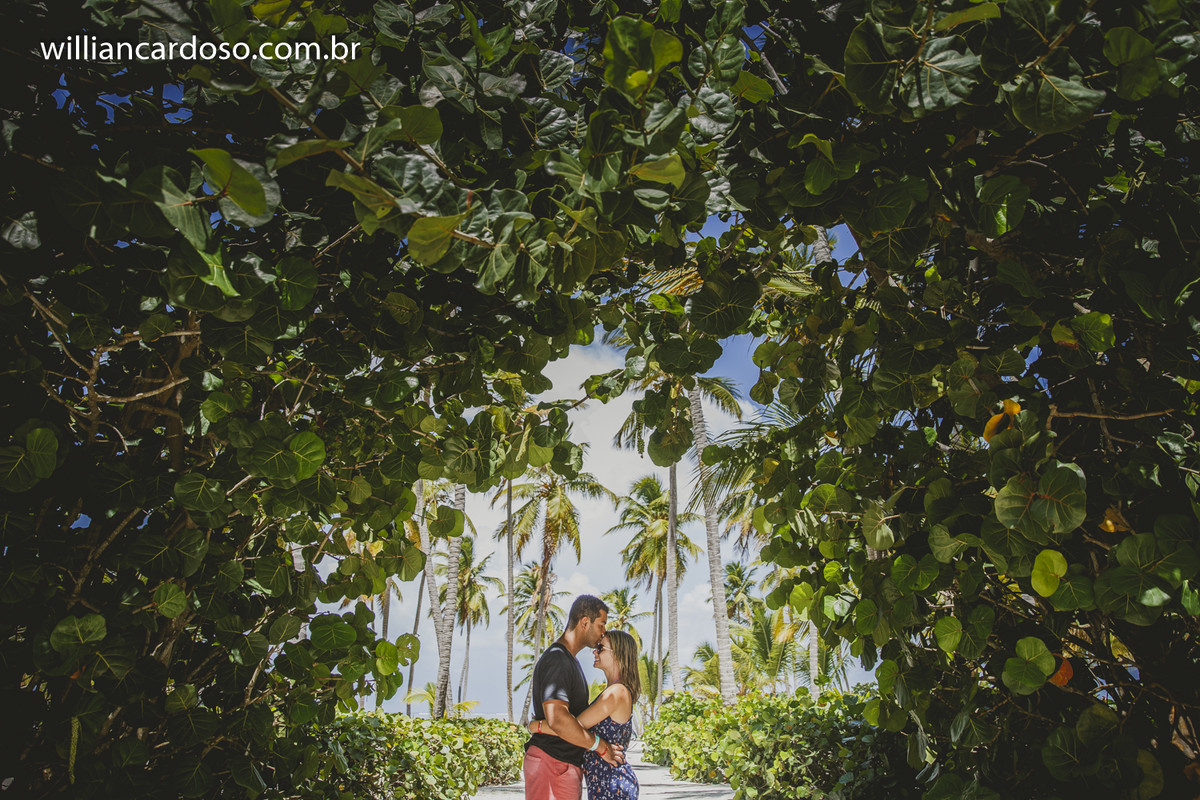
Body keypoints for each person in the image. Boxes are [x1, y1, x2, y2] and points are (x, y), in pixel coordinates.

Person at [525, 595, 626, 800]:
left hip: (560, 764)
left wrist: (538, 726)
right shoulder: (558, 659)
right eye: (601, 624)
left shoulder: (569, 661)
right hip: (553, 763)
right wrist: (599, 746)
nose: (603, 631)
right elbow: (559, 718)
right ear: (585, 622)